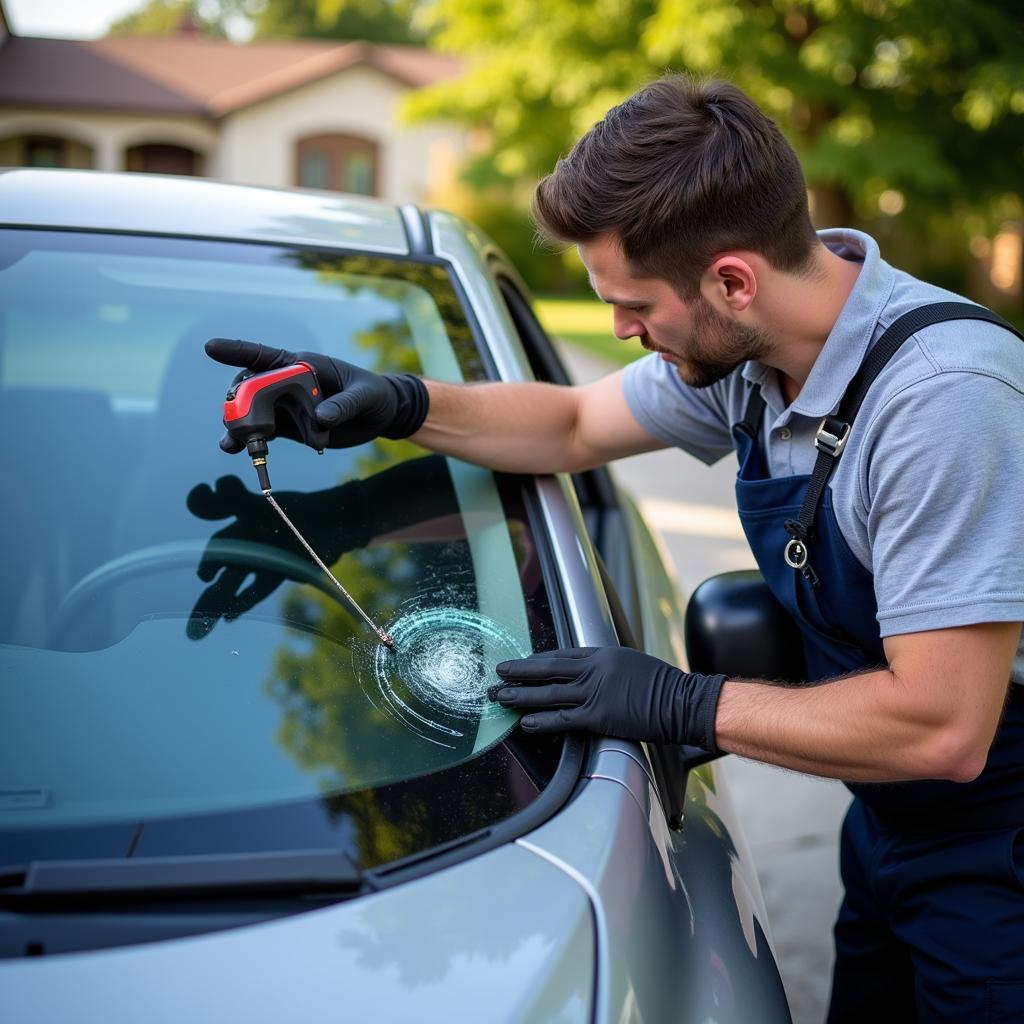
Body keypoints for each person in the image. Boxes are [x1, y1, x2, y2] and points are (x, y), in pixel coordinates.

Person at [203, 75, 1024, 1022]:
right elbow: (572, 425)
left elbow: (944, 728)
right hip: (889, 827)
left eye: (633, 306)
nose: (623, 332)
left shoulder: (943, 401)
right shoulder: (758, 355)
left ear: (732, 279)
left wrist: (680, 703)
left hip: (997, 846)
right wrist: (399, 403)